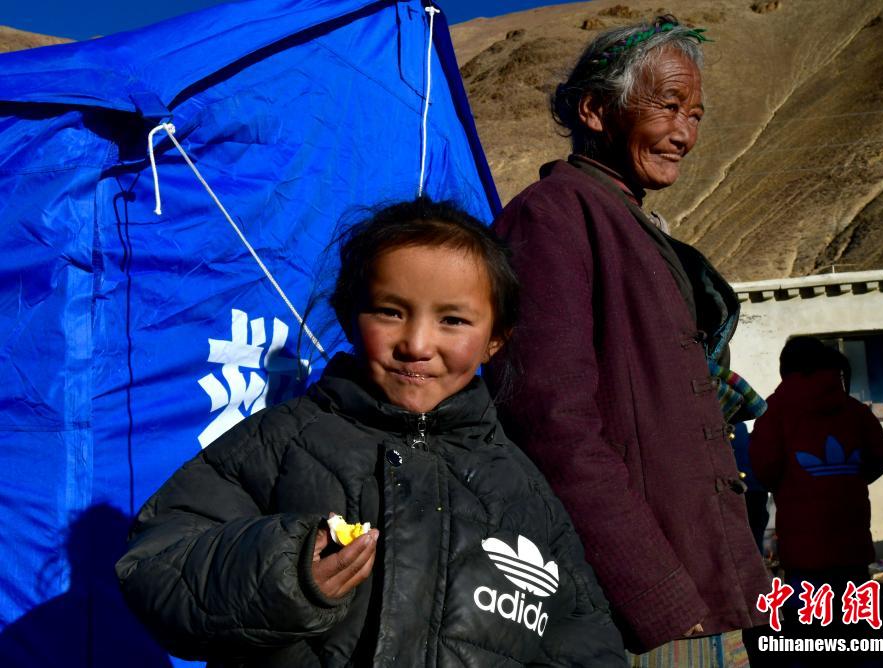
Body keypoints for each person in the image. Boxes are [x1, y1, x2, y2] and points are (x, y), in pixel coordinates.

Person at [115, 197, 626, 667]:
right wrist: (285, 572)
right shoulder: (279, 442)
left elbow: (584, 642)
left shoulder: (524, 492)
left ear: (495, 340)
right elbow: (157, 566)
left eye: (453, 320)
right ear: (348, 314)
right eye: (390, 311)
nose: (417, 343)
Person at [486, 15, 772, 658]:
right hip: (645, 609)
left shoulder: (623, 218)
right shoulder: (553, 216)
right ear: (594, 109)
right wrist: (657, 592)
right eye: (668, 107)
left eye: (695, 115)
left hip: (703, 588)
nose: (684, 134)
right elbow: (550, 421)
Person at [749, 337, 883, 659]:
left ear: (787, 369)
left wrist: (796, 484)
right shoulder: (854, 410)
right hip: (853, 551)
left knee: (812, 641)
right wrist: (847, 479)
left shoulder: (776, 411)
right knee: (855, 640)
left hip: (804, 556)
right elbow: (881, 454)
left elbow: (764, 468)